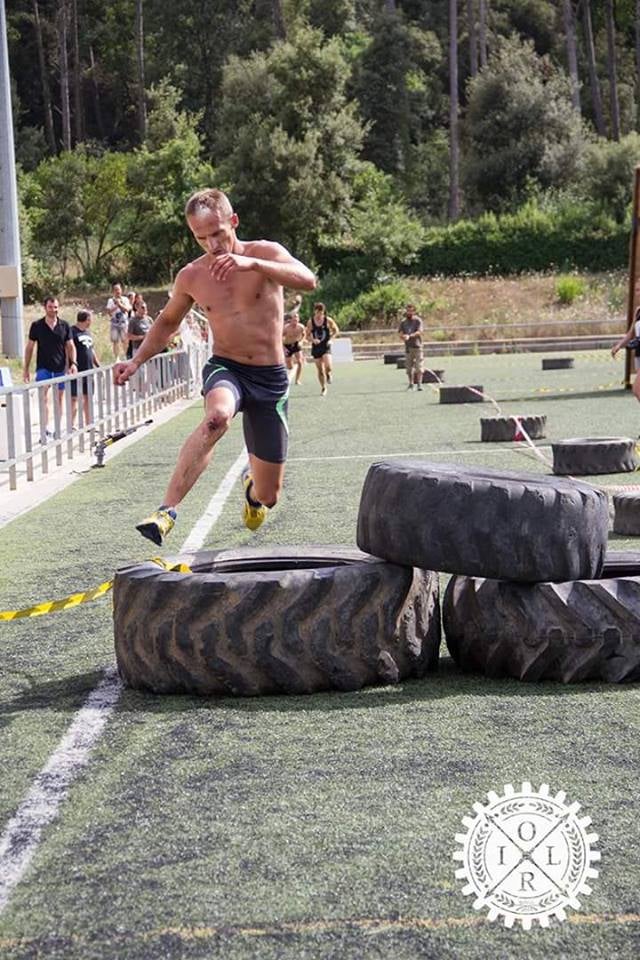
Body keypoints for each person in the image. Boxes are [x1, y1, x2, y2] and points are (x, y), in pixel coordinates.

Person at [113, 187, 317, 546]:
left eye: (218, 233)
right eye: (200, 237)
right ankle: (165, 512)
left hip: (270, 378)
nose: (212, 244)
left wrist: (251, 264)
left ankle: (252, 490)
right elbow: (166, 322)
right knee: (216, 418)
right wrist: (136, 360)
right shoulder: (191, 276)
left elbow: (308, 280)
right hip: (228, 368)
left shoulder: (264, 253)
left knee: (270, 496)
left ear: (233, 222)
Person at [23, 295, 77, 436]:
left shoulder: (64, 325)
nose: (54, 310)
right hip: (43, 367)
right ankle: (44, 428)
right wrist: (26, 369)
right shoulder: (37, 326)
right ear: (45, 308)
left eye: (56, 307)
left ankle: (57, 427)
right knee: (43, 397)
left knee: (59, 398)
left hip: (60, 367)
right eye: (51, 307)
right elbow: (29, 347)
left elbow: (70, 346)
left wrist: (73, 363)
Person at [70, 309, 100, 426]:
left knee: (88, 398)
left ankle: (89, 423)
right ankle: (71, 425)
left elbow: (91, 351)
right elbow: (68, 349)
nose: (91, 321)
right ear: (86, 320)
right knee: (74, 398)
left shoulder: (88, 333)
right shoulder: (72, 332)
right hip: (78, 370)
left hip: (89, 370)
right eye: (90, 319)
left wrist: (98, 365)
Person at [612, 285, 640, 404]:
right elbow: (631, 333)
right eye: (636, 290)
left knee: (636, 389)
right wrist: (619, 345)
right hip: (639, 353)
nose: (637, 292)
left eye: (639, 289)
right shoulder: (638, 310)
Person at [306, 302, 339, 396]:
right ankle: (323, 388)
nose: (319, 315)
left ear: (323, 312)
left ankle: (328, 374)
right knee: (320, 370)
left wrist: (331, 339)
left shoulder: (328, 320)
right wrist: (313, 340)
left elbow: (336, 330)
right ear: (314, 312)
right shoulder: (310, 322)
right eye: (317, 313)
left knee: (328, 367)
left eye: (320, 313)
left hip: (326, 346)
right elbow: (307, 336)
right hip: (316, 347)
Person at [398, 303, 424, 391]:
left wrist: (410, 335)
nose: (409, 312)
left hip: (417, 347)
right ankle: (411, 384)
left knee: (419, 367)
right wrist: (403, 336)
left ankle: (419, 384)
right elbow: (400, 333)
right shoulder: (403, 322)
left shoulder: (418, 321)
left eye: (411, 311)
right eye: (408, 311)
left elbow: (419, 332)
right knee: (409, 368)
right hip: (408, 348)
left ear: (414, 311)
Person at [106, 282, 132, 360]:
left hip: (124, 323)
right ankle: (117, 358)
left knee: (125, 340)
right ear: (113, 291)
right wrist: (116, 305)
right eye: (115, 290)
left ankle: (125, 355)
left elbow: (127, 310)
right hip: (114, 323)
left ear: (121, 290)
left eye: (118, 289)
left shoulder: (125, 299)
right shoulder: (110, 300)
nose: (117, 291)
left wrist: (119, 304)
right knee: (115, 341)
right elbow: (109, 312)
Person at [283, 311, 307, 385]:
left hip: (296, 344)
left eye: (296, 319)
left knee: (300, 362)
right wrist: (283, 348)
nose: (295, 321)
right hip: (287, 345)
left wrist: (301, 342)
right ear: (291, 320)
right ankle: (290, 367)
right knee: (289, 366)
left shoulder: (301, 327)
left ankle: (297, 380)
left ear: (298, 320)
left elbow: (304, 335)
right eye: (293, 320)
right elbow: (279, 338)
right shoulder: (286, 328)